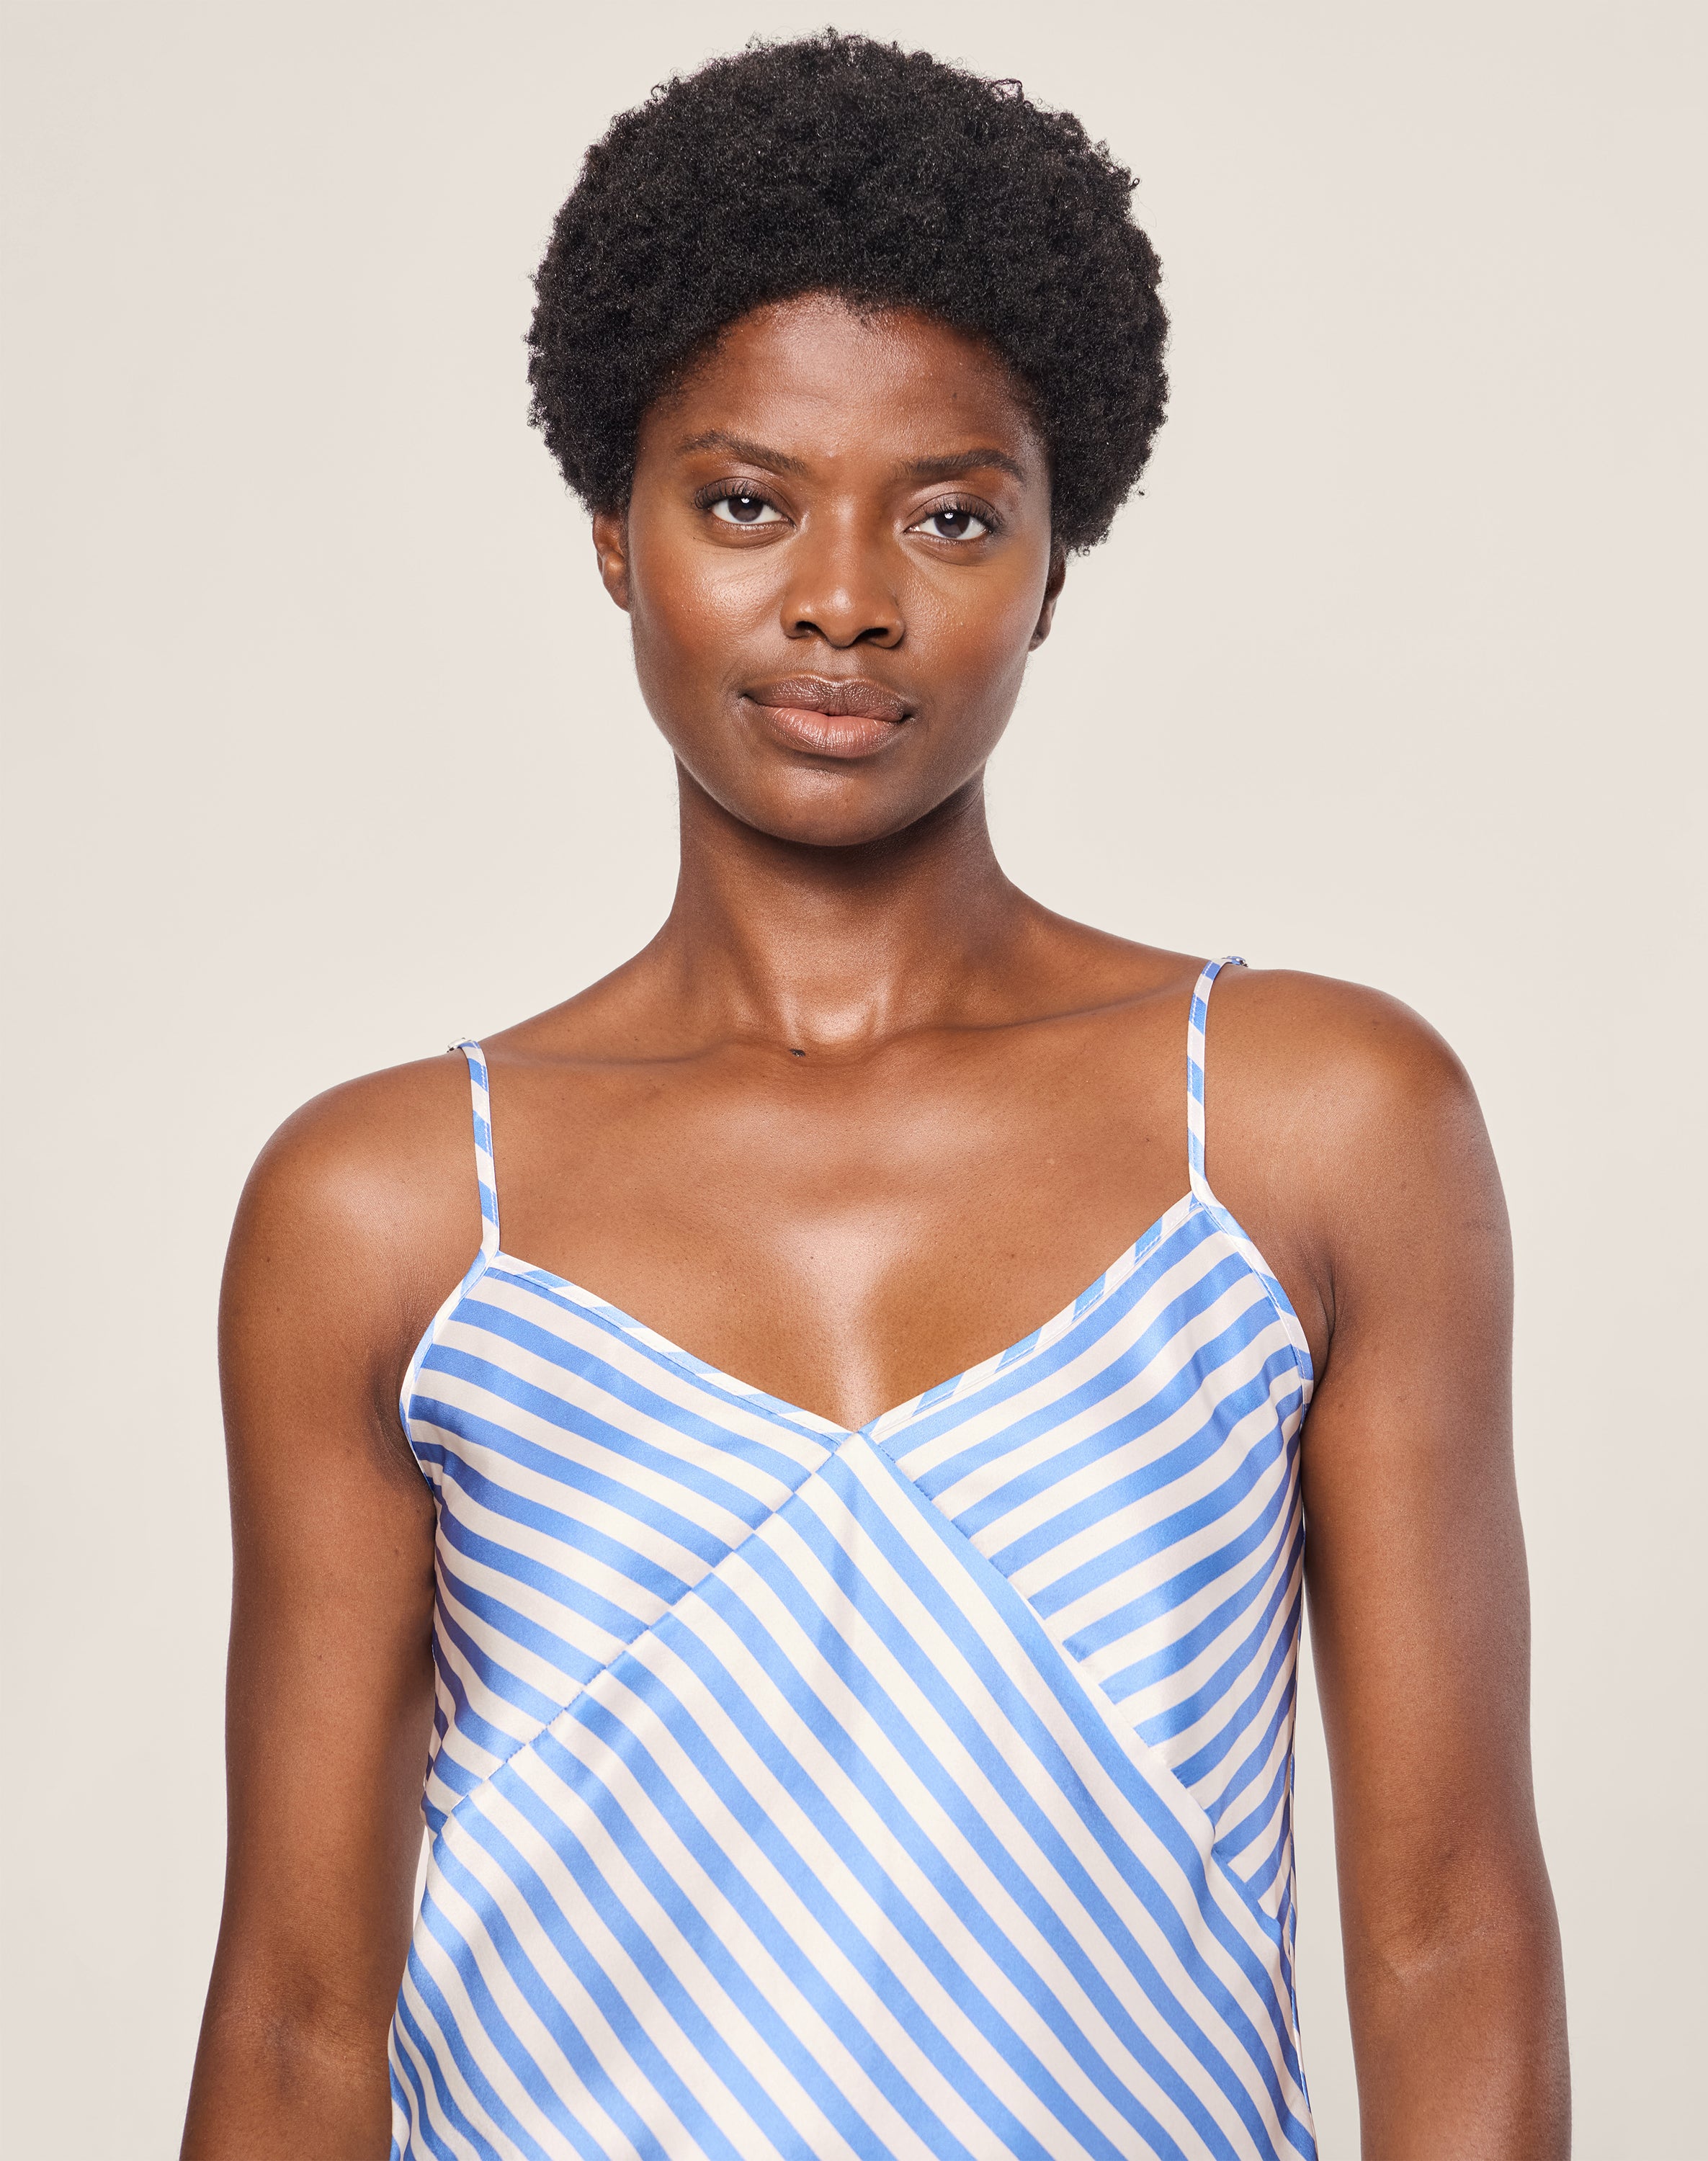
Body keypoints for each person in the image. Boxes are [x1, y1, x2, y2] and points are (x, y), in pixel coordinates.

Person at [182, 32, 1568, 2161]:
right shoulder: (387, 1213)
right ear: (613, 537)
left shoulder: (1309, 1128)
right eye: (747, 502)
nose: (842, 596)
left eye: (949, 513)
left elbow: (1450, 1930)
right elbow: (295, 2016)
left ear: (1053, 564)